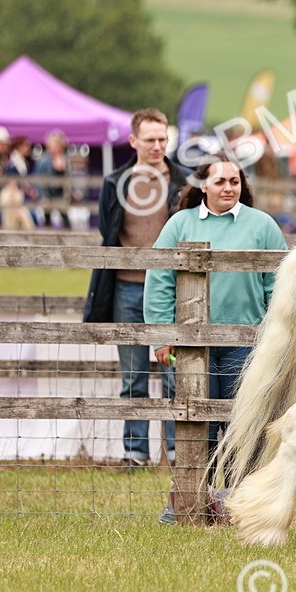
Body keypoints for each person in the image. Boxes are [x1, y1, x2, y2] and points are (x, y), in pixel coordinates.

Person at [144, 158, 288, 523]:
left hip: (248, 343)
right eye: (220, 181)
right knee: (198, 425)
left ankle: (242, 506)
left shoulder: (262, 225)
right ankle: (190, 504)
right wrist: (163, 333)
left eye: (235, 181)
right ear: (203, 186)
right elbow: (160, 277)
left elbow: (279, 288)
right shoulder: (181, 223)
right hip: (193, 345)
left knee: (246, 425)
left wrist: (279, 339)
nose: (229, 187)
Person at [83, 109, 189, 469]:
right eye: (150, 139)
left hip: (171, 290)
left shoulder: (183, 181)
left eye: (163, 139)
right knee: (133, 376)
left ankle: (178, 451)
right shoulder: (116, 182)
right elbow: (106, 229)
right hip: (126, 288)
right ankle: (135, 452)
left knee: (176, 373)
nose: (158, 146)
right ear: (134, 141)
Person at [34, 130, 78, 229]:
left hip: (62, 195)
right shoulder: (43, 160)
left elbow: (68, 178)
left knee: (66, 219)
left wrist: (74, 191)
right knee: (47, 220)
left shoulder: (66, 158)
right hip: (48, 195)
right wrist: (42, 196)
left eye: (53, 144)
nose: (50, 146)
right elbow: (38, 179)